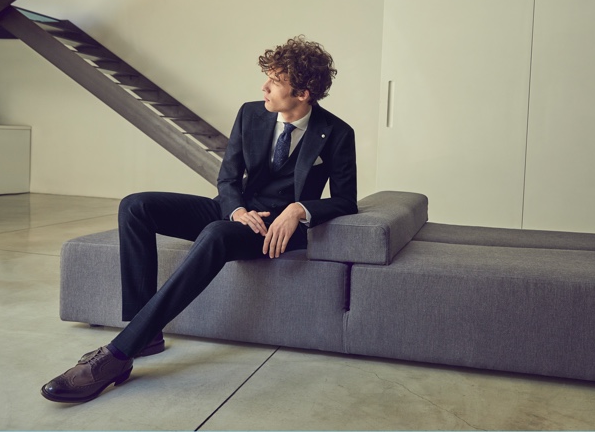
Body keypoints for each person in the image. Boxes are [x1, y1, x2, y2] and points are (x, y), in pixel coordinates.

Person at [41, 36, 358, 403]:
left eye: (274, 81)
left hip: (274, 229)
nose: (264, 87)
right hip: (236, 210)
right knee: (135, 205)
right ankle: (146, 334)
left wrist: (298, 210)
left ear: (302, 93)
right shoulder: (251, 113)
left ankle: (119, 354)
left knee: (216, 234)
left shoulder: (336, 133)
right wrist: (237, 210)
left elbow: (345, 200)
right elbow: (227, 178)